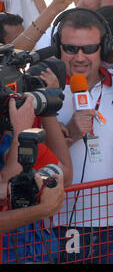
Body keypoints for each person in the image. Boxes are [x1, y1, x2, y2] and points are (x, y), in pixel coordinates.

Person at [51, 8, 113, 264]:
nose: (80, 57)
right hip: (57, 225)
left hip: (112, 224)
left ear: (103, 48)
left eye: (89, 48)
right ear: (57, 48)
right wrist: (69, 134)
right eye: (71, 48)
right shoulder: (44, 91)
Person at [0, 97, 65, 235]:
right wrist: (43, 209)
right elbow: (8, 183)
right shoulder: (13, 142)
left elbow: (64, 172)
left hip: (33, 250)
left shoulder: (10, 141)